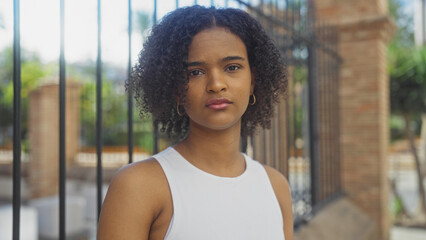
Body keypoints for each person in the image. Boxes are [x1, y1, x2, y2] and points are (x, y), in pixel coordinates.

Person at [97, 5, 293, 240]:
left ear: (253, 82)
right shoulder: (138, 187)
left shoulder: (275, 187)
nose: (216, 84)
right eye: (195, 72)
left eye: (232, 67)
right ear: (176, 91)